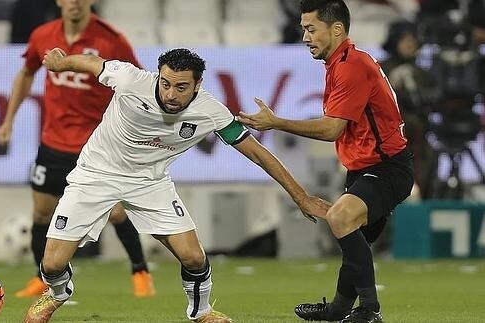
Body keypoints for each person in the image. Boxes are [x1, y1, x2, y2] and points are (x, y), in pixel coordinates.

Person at [23, 47, 331, 323]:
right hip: (96, 174)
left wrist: (301, 197)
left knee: (194, 258)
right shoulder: (131, 80)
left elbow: (259, 155)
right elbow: (92, 62)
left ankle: (202, 312)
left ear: (198, 85)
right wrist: (63, 63)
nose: (171, 94)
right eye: (166, 83)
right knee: (51, 264)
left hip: (150, 182)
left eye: (181, 87)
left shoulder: (211, 112)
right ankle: (58, 294)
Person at [237, 1, 414, 322]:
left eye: (310, 29)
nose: (305, 36)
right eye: (303, 29)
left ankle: (370, 312)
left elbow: (332, 128)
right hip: (364, 167)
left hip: (388, 167)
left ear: (336, 29)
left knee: (341, 220)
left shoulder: (351, 66)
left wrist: (276, 122)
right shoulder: (341, 63)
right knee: (353, 242)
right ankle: (338, 309)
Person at [0, 0, 155, 298]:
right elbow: (27, 72)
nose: (74, 3)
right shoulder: (43, 35)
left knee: (115, 212)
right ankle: (41, 278)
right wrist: (8, 120)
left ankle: (141, 271)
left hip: (97, 146)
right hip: (53, 143)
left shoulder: (111, 40)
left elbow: (137, 83)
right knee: (41, 214)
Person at [380, 21, 434, 198]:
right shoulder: (379, 69)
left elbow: (429, 103)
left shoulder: (422, 73)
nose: (410, 43)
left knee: (427, 177)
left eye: (413, 39)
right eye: (404, 38)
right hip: (386, 145)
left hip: (417, 144)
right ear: (394, 41)